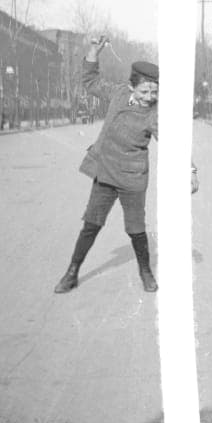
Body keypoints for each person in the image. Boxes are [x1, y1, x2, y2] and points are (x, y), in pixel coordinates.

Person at [54, 37, 159, 294]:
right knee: (92, 223)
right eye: (144, 92)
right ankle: (72, 272)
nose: (149, 97)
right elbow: (91, 81)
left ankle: (145, 272)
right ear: (131, 87)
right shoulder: (118, 93)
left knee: (135, 228)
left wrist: (190, 170)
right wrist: (93, 51)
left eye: (154, 92)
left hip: (133, 178)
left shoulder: (156, 113)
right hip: (106, 172)